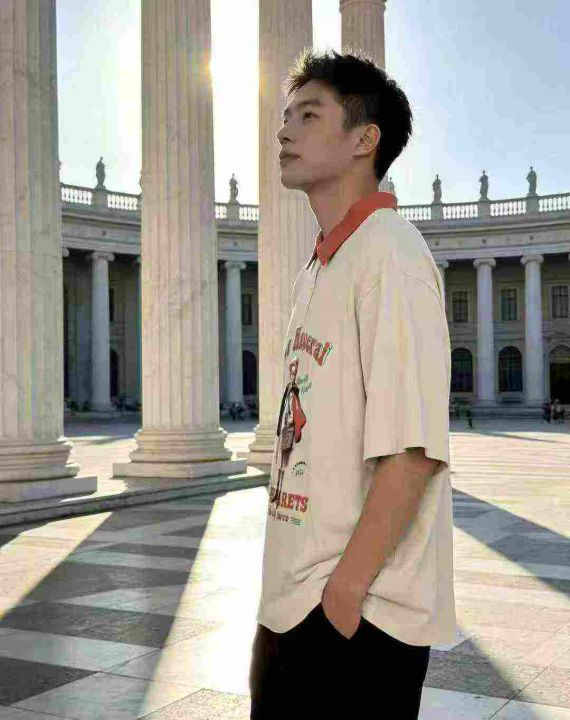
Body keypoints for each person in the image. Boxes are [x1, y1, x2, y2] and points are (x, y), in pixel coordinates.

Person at [249, 49, 456, 720]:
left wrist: (344, 592)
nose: (285, 130)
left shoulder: (391, 257)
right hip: (294, 607)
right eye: (286, 116)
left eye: (309, 116)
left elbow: (413, 451)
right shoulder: (320, 267)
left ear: (365, 139)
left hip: (355, 620)